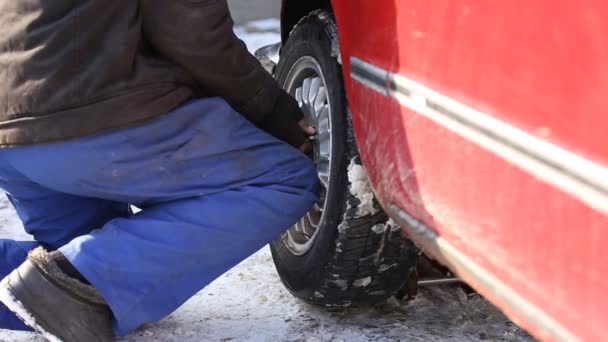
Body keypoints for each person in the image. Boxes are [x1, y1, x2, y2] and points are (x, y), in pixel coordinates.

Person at [0, 1, 319, 341]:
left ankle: (63, 283)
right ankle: (70, 283)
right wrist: (268, 106)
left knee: (97, 291)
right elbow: (192, 30)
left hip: (13, 129)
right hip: (94, 120)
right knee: (284, 178)